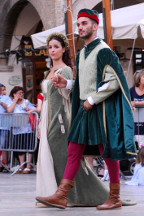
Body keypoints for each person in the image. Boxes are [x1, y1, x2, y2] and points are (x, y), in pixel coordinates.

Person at [36, 9, 136, 210]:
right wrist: (67, 83)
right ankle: (62, 195)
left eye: (84, 23)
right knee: (73, 149)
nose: (80, 27)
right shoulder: (82, 53)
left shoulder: (104, 51)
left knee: (104, 151)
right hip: (84, 109)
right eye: (78, 24)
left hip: (99, 109)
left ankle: (115, 197)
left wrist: (92, 99)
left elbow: (114, 82)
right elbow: (82, 83)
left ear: (94, 26)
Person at [36, 32, 109, 207]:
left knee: (61, 156)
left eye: (56, 47)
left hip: (60, 119)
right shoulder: (48, 71)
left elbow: (69, 95)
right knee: (48, 155)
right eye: (50, 47)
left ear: (63, 50)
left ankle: (75, 195)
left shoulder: (66, 70)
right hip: (47, 117)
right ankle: (50, 192)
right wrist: (40, 124)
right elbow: (45, 99)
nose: (52, 50)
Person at [7, 86, 36, 174]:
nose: (21, 95)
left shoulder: (26, 102)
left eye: (22, 93)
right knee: (20, 147)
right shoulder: (11, 102)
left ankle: (28, 166)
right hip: (17, 130)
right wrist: (15, 101)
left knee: (29, 147)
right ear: (14, 94)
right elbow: (9, 111)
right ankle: (21, 166)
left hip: (27, 129)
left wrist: (29, 110)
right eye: (19, 93)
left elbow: (34, 110)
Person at [130, 69, 144, 148]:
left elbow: (133, 103)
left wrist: (135, 103)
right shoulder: (131, 90)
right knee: (136, 141)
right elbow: (128, 102)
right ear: (138, 79)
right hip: (135, 121)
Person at [0, 83, 11, 173]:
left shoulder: (6, 98)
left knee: (3, 146)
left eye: (4, 89)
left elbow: (8, 109)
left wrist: (1, 102)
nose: (3, 91)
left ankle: (4, 164)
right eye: (2, 89)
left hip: (4, 124)